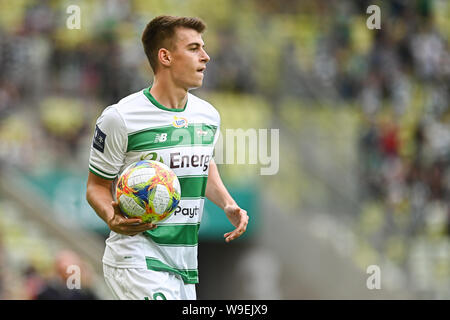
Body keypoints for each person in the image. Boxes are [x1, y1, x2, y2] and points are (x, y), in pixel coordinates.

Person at [86, 15, 249, 300]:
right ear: (165, 56)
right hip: (136, 258)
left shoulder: (208, 116)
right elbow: (96, 187)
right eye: (194, 48)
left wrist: (227, 203)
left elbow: (202, 164)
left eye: (204, 48)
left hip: (183, 267)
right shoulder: (121, 117)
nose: (206, 57)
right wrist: (111, 216)